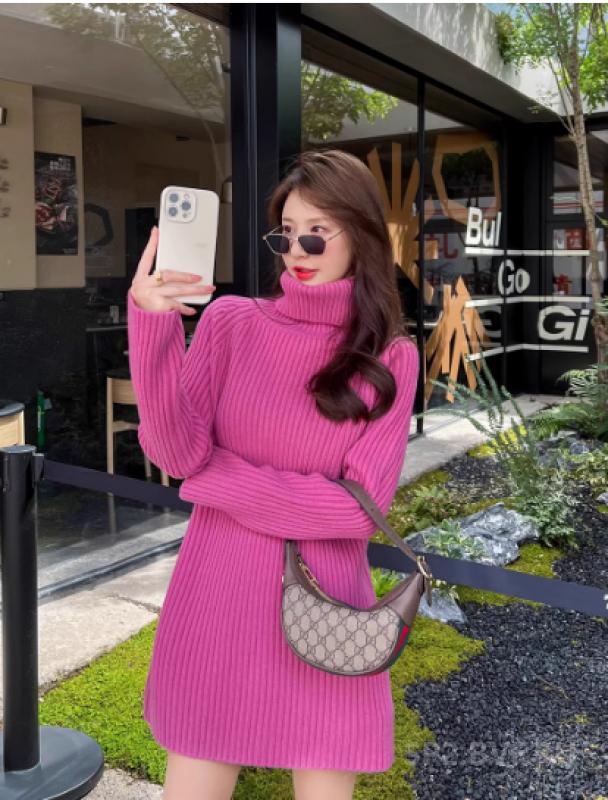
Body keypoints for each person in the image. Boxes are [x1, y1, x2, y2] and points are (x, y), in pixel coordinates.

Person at [127, 149, 420, 800]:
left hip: (327, 614)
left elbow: (357, 509)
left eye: (317, 231)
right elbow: (176, 455)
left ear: (362, 234)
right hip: (218, 600)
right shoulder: (232, 322)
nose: (298, 250)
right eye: (285, 234)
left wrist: (217, 480)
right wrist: (153, 327)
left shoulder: (391, 358)